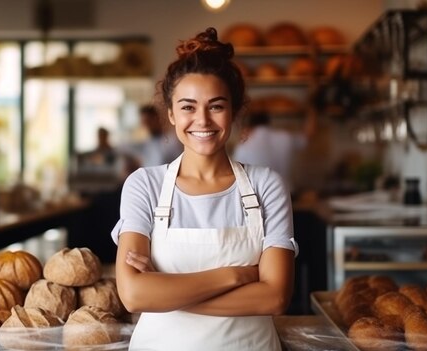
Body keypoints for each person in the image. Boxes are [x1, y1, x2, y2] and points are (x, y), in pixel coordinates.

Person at [111, 27, 298, 351]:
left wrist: (166, 290)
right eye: (187, 107)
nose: (202, 120)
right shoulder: (144, 186)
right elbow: (133, 295)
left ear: (235, 111)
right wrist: (236, 276)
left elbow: (275, 297)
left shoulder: (266, 185)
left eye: (216, 106)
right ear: (170, 114)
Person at [233, 109, 317, 193]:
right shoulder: (285, 137)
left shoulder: (243, 146)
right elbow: (307, 136)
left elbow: (237, 174)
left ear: (250, 125)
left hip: (259, 196)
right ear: (268, 123)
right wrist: (311, 112)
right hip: (287, 192)